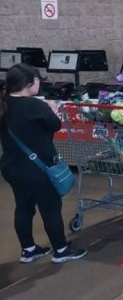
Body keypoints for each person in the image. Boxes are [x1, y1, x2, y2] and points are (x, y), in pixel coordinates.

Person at [1, 64, 87, 263]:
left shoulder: (5, 103)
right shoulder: (34, 105)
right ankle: (61, 250)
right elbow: (55, 125)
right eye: (38, 80)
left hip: (11, 166)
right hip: (37, 169)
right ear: (29, 83)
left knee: (23, 207)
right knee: (50, 208)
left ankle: (28, 250)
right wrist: (52, 110)